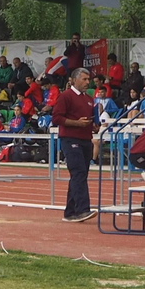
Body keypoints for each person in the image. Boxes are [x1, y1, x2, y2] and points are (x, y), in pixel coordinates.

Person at [53, 67, 96, 222]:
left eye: (88, 79)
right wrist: (77, 123)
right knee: (78, 172)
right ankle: (82, 210)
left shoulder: (89, 99)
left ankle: (70, 212)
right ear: (74, 80)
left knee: (80, 175)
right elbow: (56, 118)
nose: (87, 82)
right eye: (84, 79)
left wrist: (94, 125)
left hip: (86, 140)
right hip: (70, 139)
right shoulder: (65, 96)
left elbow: (89, 119)